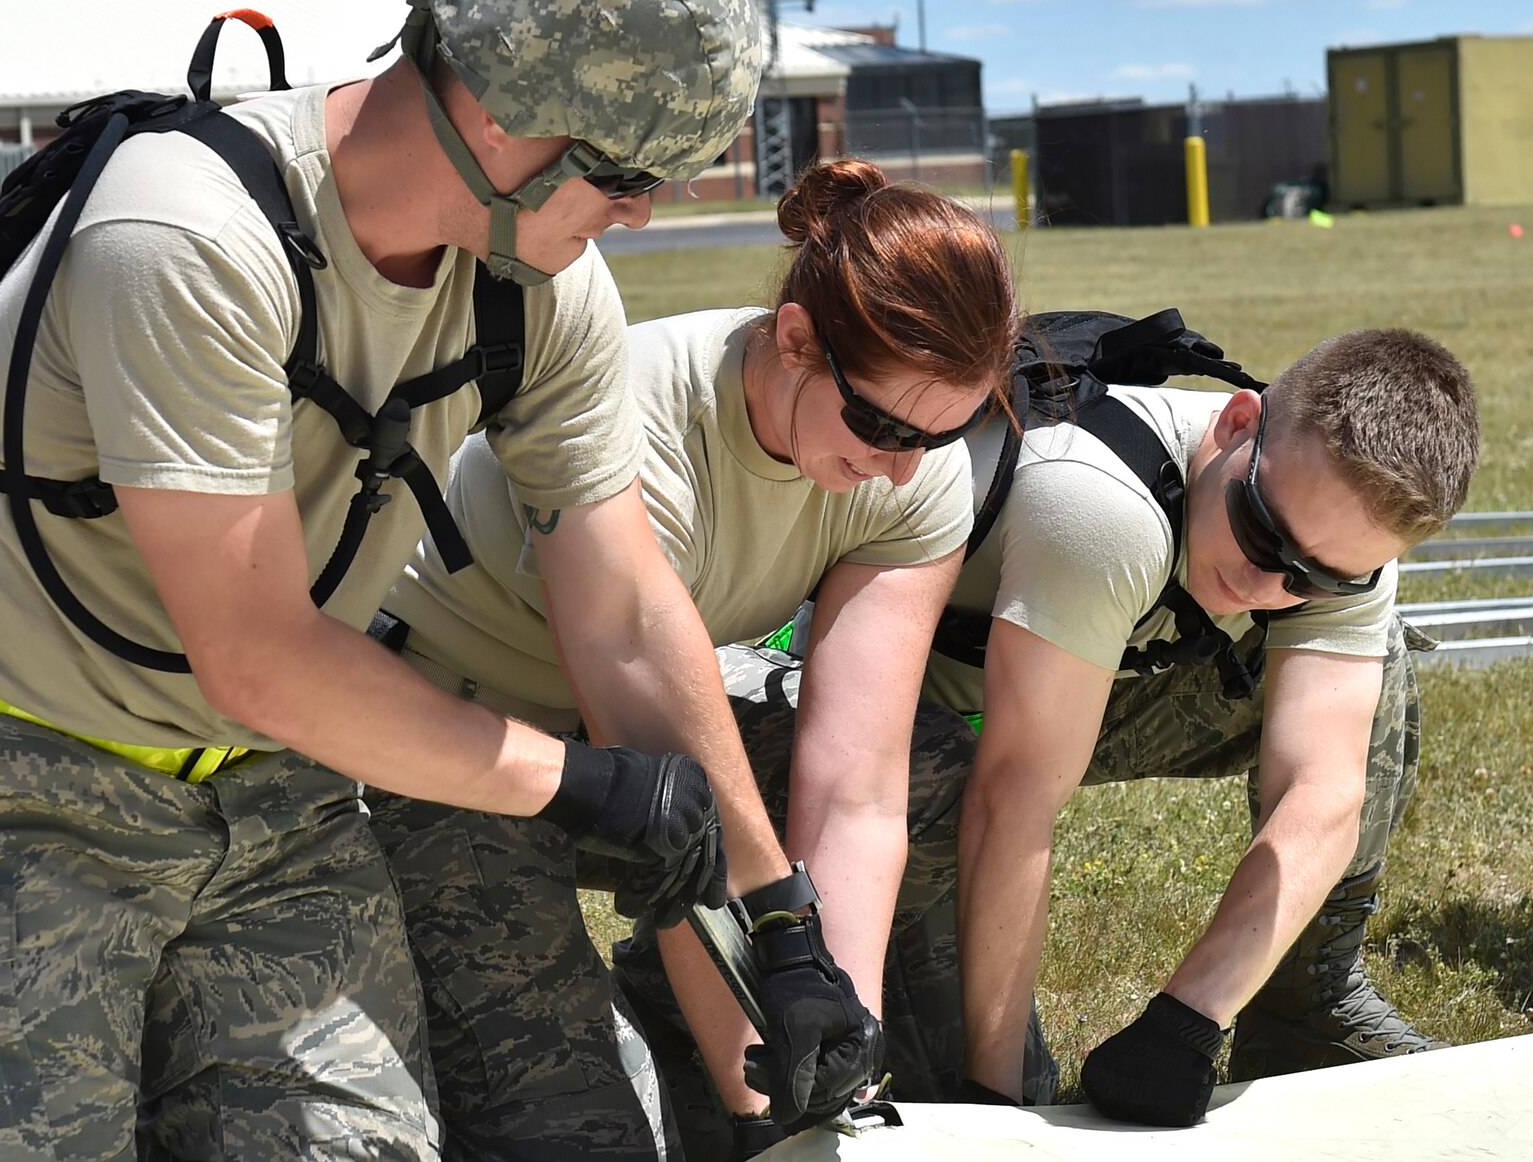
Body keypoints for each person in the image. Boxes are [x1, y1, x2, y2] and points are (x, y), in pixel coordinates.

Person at [0, 0, 764, 1162]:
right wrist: (575, 782)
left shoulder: (539, 284)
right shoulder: (188, 233)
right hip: (4, 774)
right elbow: (260, 654)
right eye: (631, 174)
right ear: (511, 115)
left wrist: (778, 913)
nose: (642, 216)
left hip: (270, 798)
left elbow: (629, 614)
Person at [621, 324, 1481, 1142]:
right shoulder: (1101, 510)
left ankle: (1303, 1009)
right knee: (938, 1095)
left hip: (1017, 707)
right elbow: (1014, 796)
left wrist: (1189, 1019)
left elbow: (1323, 789)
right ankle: (685, 1004)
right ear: (1237, 420)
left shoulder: (1336, 522)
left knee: (1376, 677)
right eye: (1262, 532)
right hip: (861, 722)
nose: (1271, 585)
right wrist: (996, 1097)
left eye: (1324, 577)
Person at [365, 157, 1020, 1160]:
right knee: (573, 1133)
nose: (901, 468)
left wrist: (820, 1019)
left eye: (943, 435)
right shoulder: (639, 425)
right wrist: (766, 1109)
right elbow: (662, 792)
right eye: (884, 425)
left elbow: (857, 787)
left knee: (937, 770)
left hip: (634, 747)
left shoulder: (911, 472)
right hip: (448, 732)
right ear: (797, 342)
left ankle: (752, 1046)